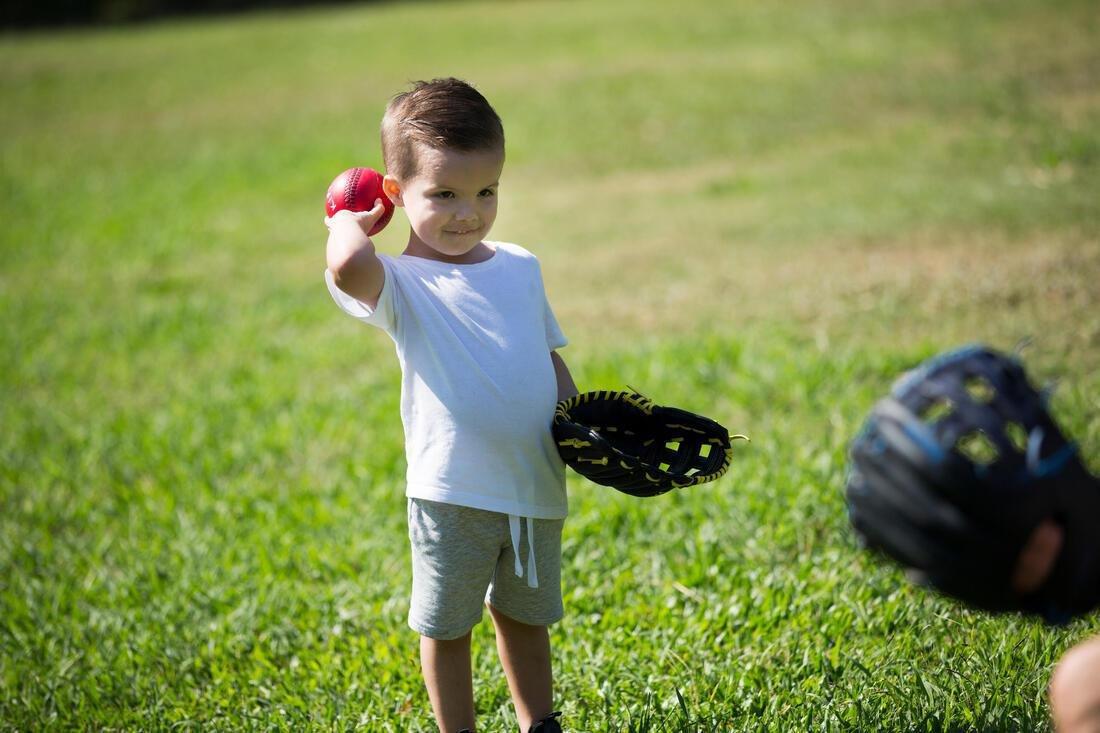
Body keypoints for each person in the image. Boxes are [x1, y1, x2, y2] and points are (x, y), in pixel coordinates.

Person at [323, 78, 577, 733]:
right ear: (394, 194)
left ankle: (538, 722)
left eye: (486, 191)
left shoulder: (521, 265)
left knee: (527, 613)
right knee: (448, 622)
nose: (469, 212)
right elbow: (349, 265)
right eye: (443, 194)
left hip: (531, 482)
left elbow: (547, 355)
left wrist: (580, 424)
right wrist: (348, 220)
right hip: (452, 490)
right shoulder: (402, 282)